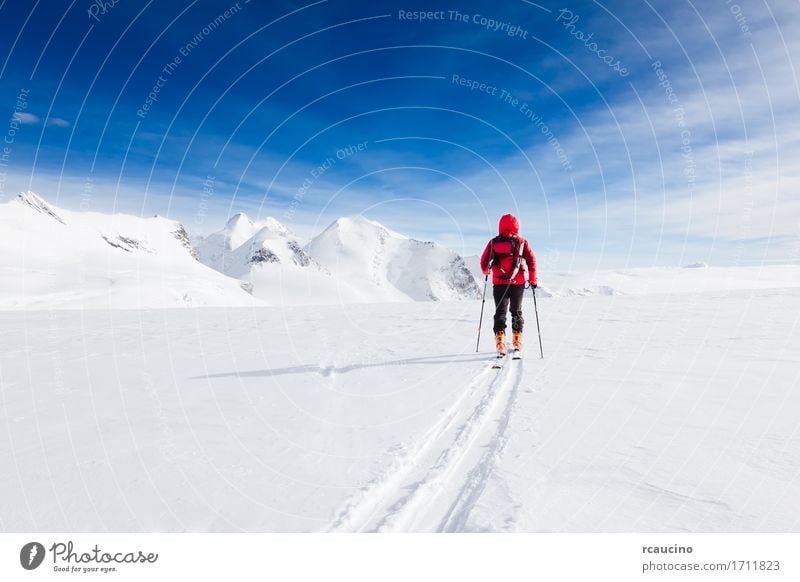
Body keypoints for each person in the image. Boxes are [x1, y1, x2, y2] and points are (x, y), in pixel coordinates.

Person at [479, 214, 537, 355]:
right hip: (517, 283)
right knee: (516, 311)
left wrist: (486, 270)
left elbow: (483, 260)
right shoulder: (522, 242)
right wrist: (533, 279)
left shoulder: (493, 242)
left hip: (499, 283)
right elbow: (532, 261)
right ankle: (517, 340)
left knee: (500, 312)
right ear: (516, 226)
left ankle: (500, 342)